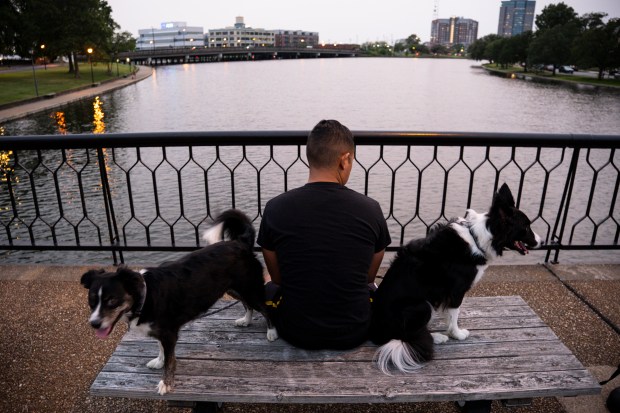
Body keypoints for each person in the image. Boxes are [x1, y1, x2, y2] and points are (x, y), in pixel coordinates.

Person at [257, 119, 391, 350]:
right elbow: (368, 278)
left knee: (267, 281)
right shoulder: (371, 209)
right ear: (345, 159)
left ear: (309, 157)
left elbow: (278, 279)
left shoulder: (275, 208)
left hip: (295, 330)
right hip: (355, 330)